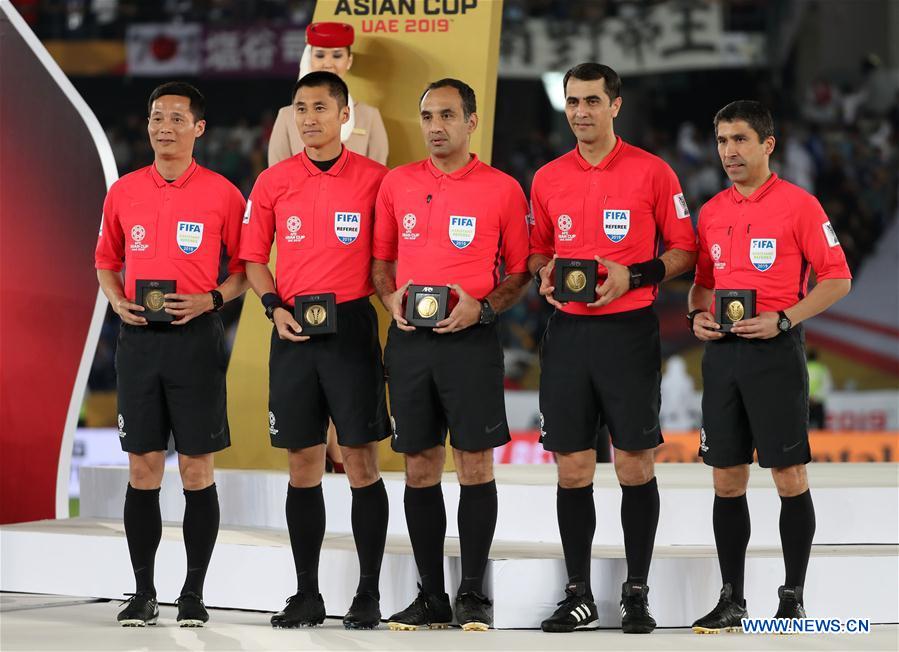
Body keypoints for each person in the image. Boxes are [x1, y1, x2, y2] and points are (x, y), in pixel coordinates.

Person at [529, 63, 698, 634]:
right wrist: (544, 274)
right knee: (573, 468)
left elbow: (684, 251)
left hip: (629, 334)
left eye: (592, 101)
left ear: (615, 105)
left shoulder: (653, 172)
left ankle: (636, 592)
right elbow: (535, 251)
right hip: (569, 335)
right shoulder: (548, 177)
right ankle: (578, 594)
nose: (581, 112)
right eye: (573, 101)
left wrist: (636, 275)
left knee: (633, 465)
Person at [371, 78, 530, 631]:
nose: (435, 126)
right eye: (427, 115)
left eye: (446, 115)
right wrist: (389, 297)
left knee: (475, 465)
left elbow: (519, 271)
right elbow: (381, 261)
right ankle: (431, 594)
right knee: (419, 467)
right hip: (410, 343)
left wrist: (482, 309)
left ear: (471, 122)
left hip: (470, 342)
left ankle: (473, 594)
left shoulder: (504, 189)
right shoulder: (397, 184)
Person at [687, 100, 851, 633]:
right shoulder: (710, 211)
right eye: (722, 141)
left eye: (740, 140)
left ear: (767, 145)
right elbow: (704, 283)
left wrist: (785, 319)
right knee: (726, 480)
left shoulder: (800, 206)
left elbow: (836, 278)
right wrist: (696, 314)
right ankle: (732, 599)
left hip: (776, 353)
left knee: (788, 475)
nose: (729, 151)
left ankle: (792, 599)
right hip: (723, 357)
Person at [240, 71, 391, 630]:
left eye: (320, 107)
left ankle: (368, 594)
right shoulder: (273, 181)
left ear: (344, 115)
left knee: (359, 461)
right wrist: (273, 306)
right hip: (292, 324)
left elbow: (393, 256)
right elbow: (254, 259)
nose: (308, 118)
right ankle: (306, 593)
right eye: (300, 108)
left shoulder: (378, 179)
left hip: (351, 325)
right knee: (303, 463)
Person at [95, 82, 248, 627]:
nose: (164, 127)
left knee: (196, 469)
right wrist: (116, 301)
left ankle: (193, 593)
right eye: (157, 117)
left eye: (177, 119)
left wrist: (210, 299)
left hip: (195, 341)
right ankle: (142, 592)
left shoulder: (225, 195)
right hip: (138, 342)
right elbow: (106, 260)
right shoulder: (124, 192)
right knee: (142, 468)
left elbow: (245, 271)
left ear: (198, 128)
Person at [268, 21, 388, 167]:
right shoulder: (287, 116)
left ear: (349, 61)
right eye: (320, 55)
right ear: (309, 58)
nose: (328, 63)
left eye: (337, 56)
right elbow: (277, 175)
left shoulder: (369, 116)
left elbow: (378, 174)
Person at [806, 349, 833, 429]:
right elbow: (827, 385)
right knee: (820, 429)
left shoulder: (802, 367)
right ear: (817, 358)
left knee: (804, 431)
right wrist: (815, 397)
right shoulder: (822, 369)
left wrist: (808, 397)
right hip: (818, 403)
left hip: (805, 404)